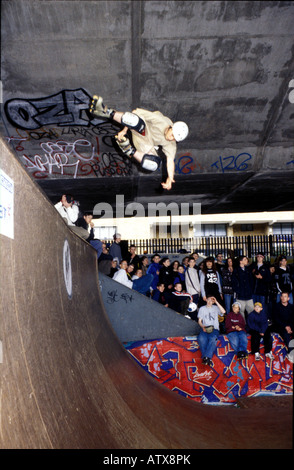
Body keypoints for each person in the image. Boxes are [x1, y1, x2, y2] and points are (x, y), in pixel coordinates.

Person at [89, 95, 189, 190]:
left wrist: (170, 178)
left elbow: (170, 161)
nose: (171, 139)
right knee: (134, 120)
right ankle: (105, 111)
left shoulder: (171, 144)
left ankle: (129, 150)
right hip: (141, 131)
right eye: (172, 135)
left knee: (154, 164)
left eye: (174, 139)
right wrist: (124, 131)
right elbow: (135, 112)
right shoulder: (160, 121)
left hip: (144, 145)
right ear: (171, 127)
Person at [197, 296, 226, 366]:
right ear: (206, 300)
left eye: (211, 301)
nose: (209, 302)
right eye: (208, 300)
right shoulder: (202, 308)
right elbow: (199, 321)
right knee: (201, 339)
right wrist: (202, 326)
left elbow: (223, 311)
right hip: (205, 328)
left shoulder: (216, 308)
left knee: (213, 339)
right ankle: (207, 358)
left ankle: (206, 357)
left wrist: (216, 301)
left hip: (214, 329)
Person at [231, 256, 254, 322]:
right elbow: (233, 282)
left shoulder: (248, 270)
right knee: (241, 312)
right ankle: (243, 325)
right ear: (240, 261)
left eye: (247, 259)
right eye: (245, 259)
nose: (247, 260)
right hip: (240, 295)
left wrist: (250, 290)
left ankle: (251, 325)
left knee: (251, 311)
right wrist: (237, 291)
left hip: (249, 295)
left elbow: (251, 281)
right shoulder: (236, 270)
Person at [273, 292, 294, 356]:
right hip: (281, 326)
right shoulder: (276, 306)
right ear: (280, 297)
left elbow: (292, 318)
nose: (283, 298)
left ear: (288, 298)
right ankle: (291, 354)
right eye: (282, 296)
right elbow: (276, 319)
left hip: (290, 325)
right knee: (287, 336)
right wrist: (285, 326)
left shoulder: (291, 307)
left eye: (285, 296)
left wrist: (290, 327)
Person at [251, 252, 271, 318]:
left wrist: (262, 278)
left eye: (260, 256)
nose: (259, 258)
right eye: (258, 256)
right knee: (254, 307)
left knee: (262, 307)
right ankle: (255, 319)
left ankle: (263, 320)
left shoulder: (266, 268)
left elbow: (269, 279)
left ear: (263, 258)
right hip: (254, 290)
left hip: (262, 291)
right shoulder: (253, 266)